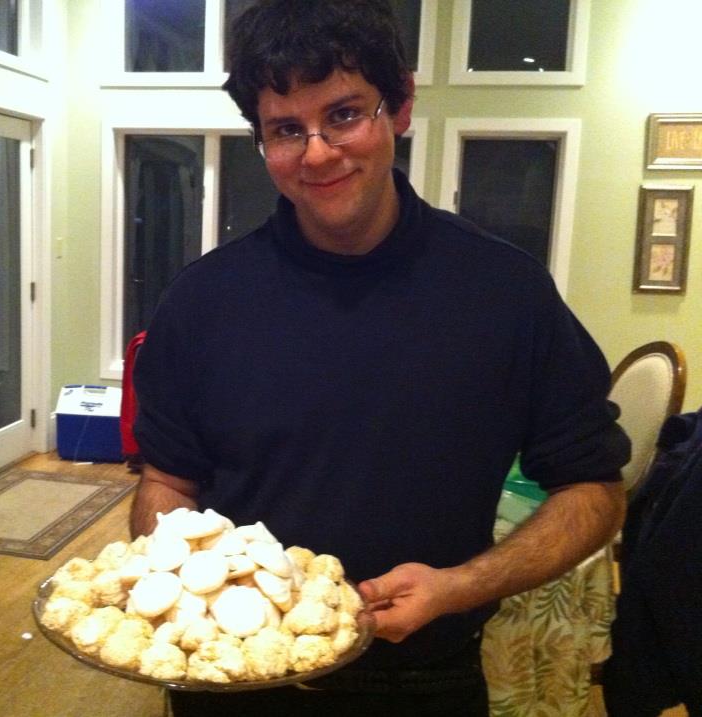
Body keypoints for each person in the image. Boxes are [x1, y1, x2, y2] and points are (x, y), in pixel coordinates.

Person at [129, 1, 631, 715]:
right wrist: (173, 580)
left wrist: (462, 584)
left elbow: (595, 490)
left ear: (398, 106)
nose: (318, 152)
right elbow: (168, 483)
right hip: (234, 683)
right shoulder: (203, 301)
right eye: (285, 129)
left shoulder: (504, 292)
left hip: (419, 682)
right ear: (261, 141)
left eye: (343, 114)